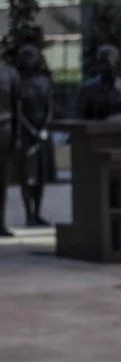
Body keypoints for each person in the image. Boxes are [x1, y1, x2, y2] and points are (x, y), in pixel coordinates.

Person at [15, 45, 54, 227]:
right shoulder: (18, 82)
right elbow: (18, 110)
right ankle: (28, 214)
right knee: (27, 177)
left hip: (43, 132)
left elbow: (50, 106)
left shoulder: (44, 81)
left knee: (41, 175)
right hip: (26, 134)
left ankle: (38, 213)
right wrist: (30, 130)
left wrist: (45, 126)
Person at [76, 44, 121, 121]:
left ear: (117, 64)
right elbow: (80, 118)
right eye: (100, 63)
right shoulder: (87, 90)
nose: (103, 68)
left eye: (106, 64)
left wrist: (118, 118)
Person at [0, 55, 16, 237]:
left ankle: (1, 223)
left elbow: (16, 105)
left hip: (4, 132)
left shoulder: (9, 72)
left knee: (2, 181)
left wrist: (17, 135)